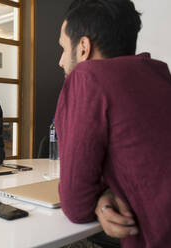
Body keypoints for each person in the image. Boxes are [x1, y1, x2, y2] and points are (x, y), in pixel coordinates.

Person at [54, 0, 171, 247]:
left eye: (64, 48)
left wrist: (99, 198)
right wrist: (106, 193)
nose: (61, 61)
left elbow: (76, 206)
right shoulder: (159, 74)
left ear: (83, 47)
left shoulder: (87, 78)